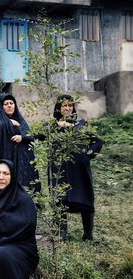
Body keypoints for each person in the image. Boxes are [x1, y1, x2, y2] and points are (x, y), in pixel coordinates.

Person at [50, 94, 103, 241]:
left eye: (70, 105)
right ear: (58, 108)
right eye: (64, 106)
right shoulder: (52, 126)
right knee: (60, 197)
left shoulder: (82, 124)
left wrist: (87, 156)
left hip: (80, 169)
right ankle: (61, 232)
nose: (67, 108)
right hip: (59, 170)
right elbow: (36, 137)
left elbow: (97, 141)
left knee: (85, 196)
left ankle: (88, 234)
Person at [0, 93, 39, 193]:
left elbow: (30, 137)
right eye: (6, 104)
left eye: (11, 103)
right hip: (2, 156)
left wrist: (22, 138)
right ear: (1, 107)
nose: (9, 105)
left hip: (19, 162)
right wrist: (8, 123)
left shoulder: (21, 121)